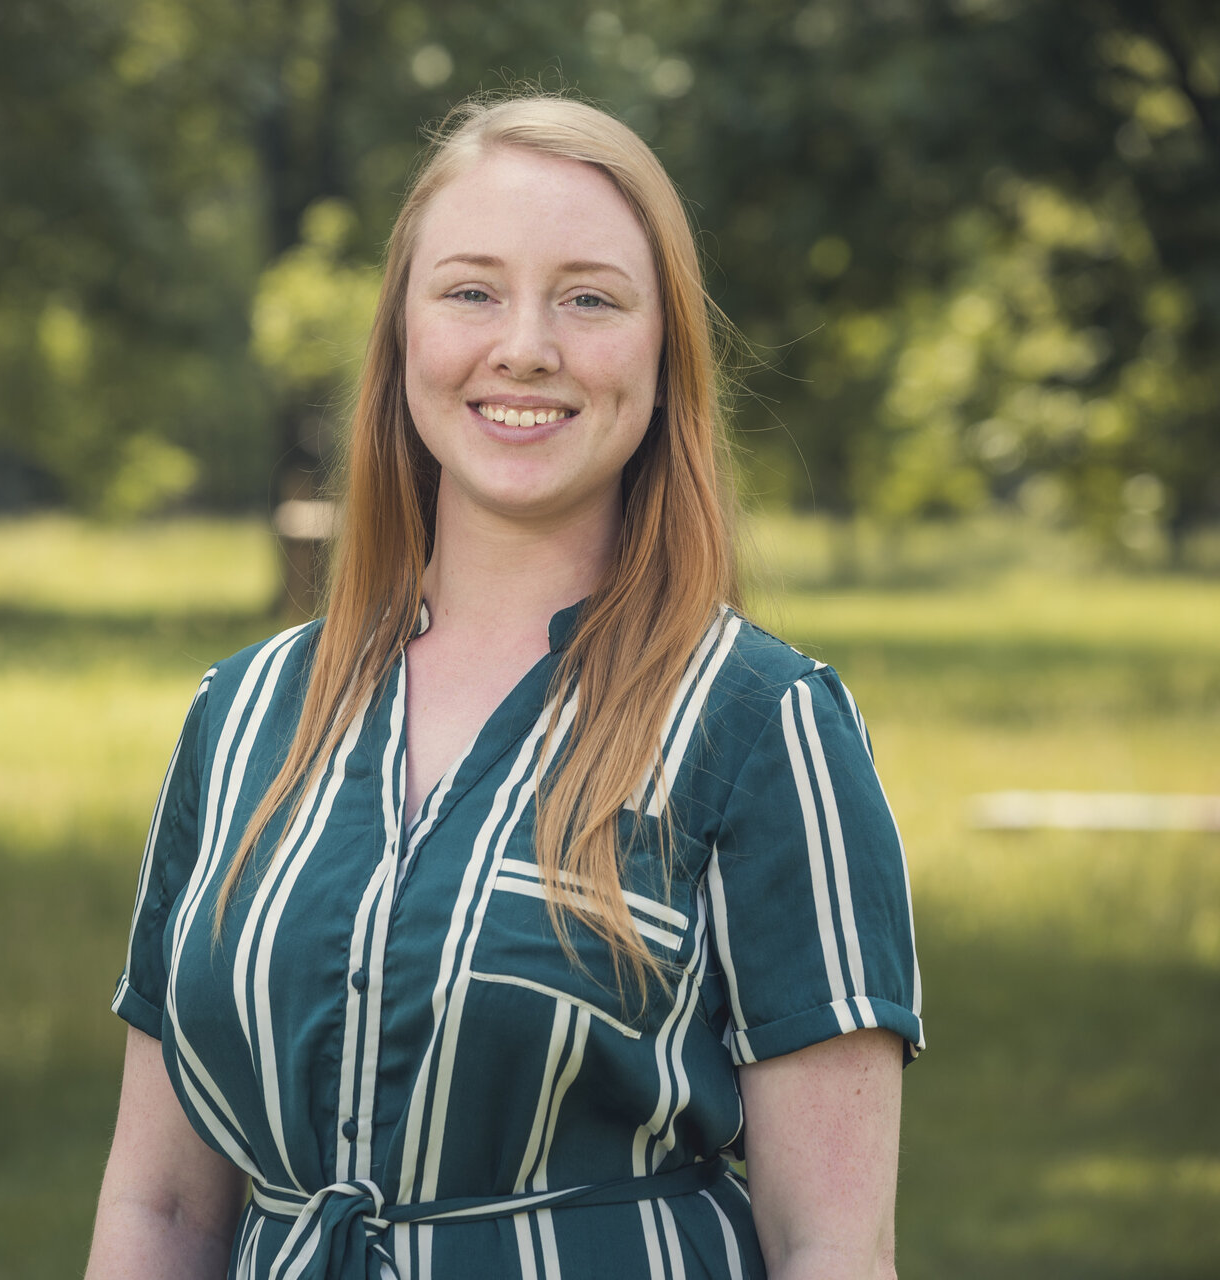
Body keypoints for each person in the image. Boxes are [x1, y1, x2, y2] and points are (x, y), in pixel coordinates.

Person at [86, 92, 922, 1280]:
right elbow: (160, 1207)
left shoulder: (761, 724)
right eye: (472, 290)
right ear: (403, 338)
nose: (525, 344)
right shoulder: (244, 714)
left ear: (663, 349)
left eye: (589, 298)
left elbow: (829, 1243)